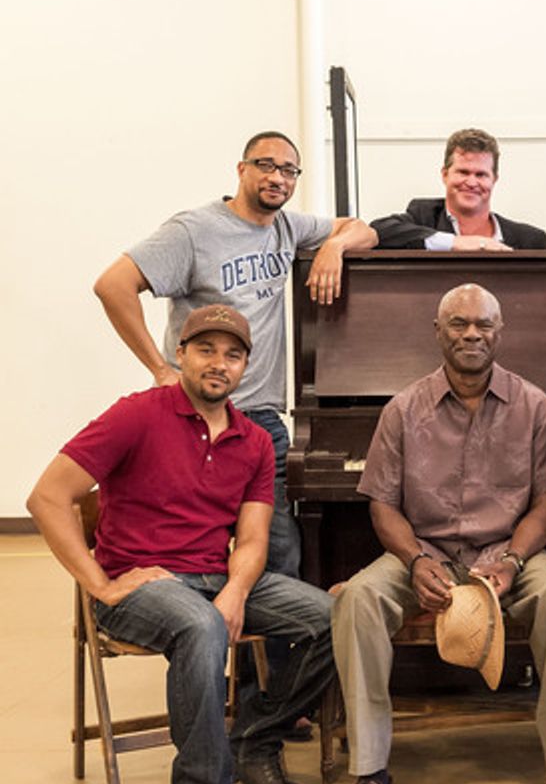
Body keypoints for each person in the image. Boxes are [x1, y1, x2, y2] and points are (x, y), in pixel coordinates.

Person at [26, 305, 335, 784]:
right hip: (140, 585)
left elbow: (252, 538)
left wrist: (237, 592)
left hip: (216, 577)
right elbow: (47, 497)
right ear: (182, 354)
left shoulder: (253, 441)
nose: (219, 363)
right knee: (201, 627)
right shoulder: (136, 415)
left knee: (332, 617)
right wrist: (101, 583)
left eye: (233, 354)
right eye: (206, 350)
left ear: (247, 365)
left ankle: (254, 737)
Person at [327, 284, 546, 784]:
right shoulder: (403, 408)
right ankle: (371, 776)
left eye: (482, 325)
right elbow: (382, 503)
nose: (471, 334)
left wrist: (513, 559)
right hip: (423, 553)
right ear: (438, 331)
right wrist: (412, 558)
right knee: (356, 599)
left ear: (500, 334)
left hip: (508, 552)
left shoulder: (533, 406)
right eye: (458, 324)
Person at [93, 130, 378, 578]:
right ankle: (202, 636)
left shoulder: (288, 227)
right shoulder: (194, 230)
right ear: (241, 170)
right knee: (190, 554)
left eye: (289, 170)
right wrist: (158, 369)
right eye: (266, 165)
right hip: (194, 419)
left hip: (259, 420)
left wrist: (334, 247)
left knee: (280, 556)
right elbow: (112, 286)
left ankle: (264, 650)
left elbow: (363, 228)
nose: (277, 177)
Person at [371, 128, 546, 251]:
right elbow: (379, 230)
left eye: (481, 175)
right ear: (444, 174)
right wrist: (455, 243)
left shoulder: (532, 240)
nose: (471, 182)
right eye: (463, 172)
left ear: (494, 179)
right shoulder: (423, 217)